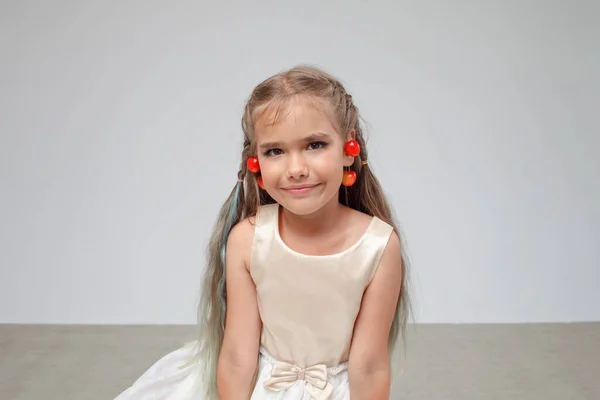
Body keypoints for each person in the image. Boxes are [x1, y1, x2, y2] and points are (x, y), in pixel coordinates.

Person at [114, 65, 411, 400]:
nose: (297, 169)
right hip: (261, 389)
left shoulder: (378, 245)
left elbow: (369, 366)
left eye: (314, 145)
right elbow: (238, 357)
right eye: (275, 151)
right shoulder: (249, 239)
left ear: (348, 149)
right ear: (255, 162)